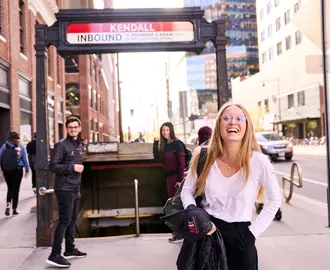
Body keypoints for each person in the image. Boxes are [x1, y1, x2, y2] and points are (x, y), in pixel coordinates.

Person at [180, 103, 282, 270]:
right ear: (219, 125)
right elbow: (186, 192)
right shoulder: (202, 156)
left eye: (239, 118)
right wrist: (196, 216)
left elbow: (275, 199)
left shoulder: (259, 162)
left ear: (247, 125)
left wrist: (252, 233)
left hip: (242, 238)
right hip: (208, 234)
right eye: (226, 118)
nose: (232, 122)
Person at [46, 117, 87, 268]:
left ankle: (69, 249)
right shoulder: (61, 145)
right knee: (64, 220)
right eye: (70, 127)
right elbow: (53, 166)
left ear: (80, 128)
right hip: (64, 188)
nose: (73, 129)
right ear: (67, 129)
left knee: (72, 219)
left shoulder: (79, 144)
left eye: (75, 127)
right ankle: (55, 254)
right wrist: (72, 168)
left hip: (74, 188)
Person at [153, 122, 185, 243]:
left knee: (176, 207)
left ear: (171, 130)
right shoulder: (166, 145)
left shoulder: (177, 144)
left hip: (176, 178)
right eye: (163, 131)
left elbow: (182, 163)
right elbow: (158, 159)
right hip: (169, 179)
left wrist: (180, 180)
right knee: (172, 206)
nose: (165, 133)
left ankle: (179, 234)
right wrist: (155, 144)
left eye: (167, 130)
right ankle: (177, 233)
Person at [0, 131, 29, 216]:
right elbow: (25, 159)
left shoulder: (4, 146)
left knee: (10, 188)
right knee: (16, 189)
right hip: (17, 170)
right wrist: (27, 170)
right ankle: (14, 209)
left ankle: (8, 204)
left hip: (7, 171)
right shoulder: (21, 146)